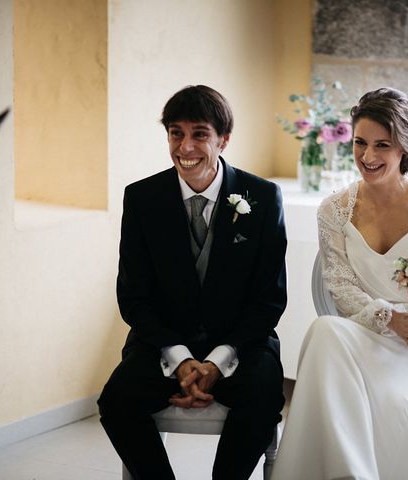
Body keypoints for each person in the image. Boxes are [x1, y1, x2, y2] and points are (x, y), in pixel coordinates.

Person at [272, 87, 408, 480]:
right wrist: (388, 318)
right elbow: (341, 287)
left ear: (405, 147)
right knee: (324, 329)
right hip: (367, 332)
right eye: (360, 143)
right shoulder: (334, 210)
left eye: (382, 145)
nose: (367, 157)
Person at [98, 85, 287, 480]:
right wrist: (181, 357)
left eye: (200, 133)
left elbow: (269, 299)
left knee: (263, 395)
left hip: (241, 344)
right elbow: (133, 296)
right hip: (163, 343)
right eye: (176, 133)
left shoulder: (263, 197)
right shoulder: (142, 198)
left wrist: (218, 361)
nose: (186, 147)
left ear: (224, 139)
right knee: (116, 401)